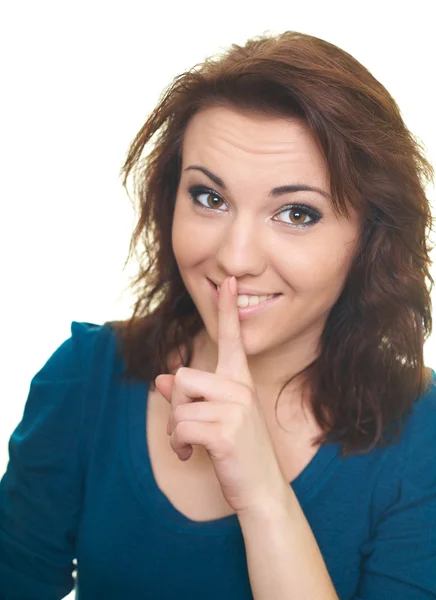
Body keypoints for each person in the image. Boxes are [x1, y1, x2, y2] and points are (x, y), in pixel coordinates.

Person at [1, 30, 435, 600]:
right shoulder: (86, 377)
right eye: (210, 197)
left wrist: (263, 494)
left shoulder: (422, 435)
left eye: (297, 213)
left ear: (371, 237)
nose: (234, 258)